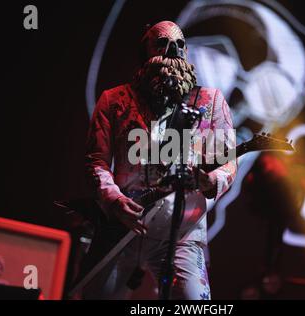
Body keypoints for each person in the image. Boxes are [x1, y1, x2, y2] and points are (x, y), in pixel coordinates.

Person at [82, 21, 236, 300]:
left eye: (180, 45)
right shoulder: (113, 101)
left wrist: (210, 180)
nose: (173, 52)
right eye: (162, 44)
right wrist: (114, 199)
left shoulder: (209, 102)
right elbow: (97, 162)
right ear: (145, 54)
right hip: (123, 229)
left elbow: (227, 162)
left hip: (181, 235)